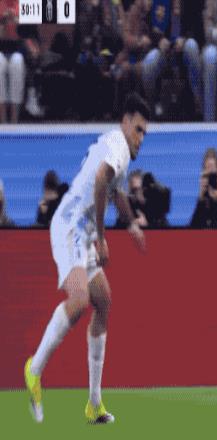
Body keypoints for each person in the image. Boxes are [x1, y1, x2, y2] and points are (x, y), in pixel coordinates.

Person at [24, 93, 149, 424]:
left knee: (103, 301)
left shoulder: (116, 148)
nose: (140, 138)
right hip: (71, 227)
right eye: (138, 129)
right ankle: (34, 370)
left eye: (144, 133)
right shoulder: (118, 147)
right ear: (125, 122)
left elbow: (115, 191)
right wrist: (103, 238)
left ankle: (94, 403)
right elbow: (100, 180)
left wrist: (132, 224)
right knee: (80, 300)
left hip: (83, 233)